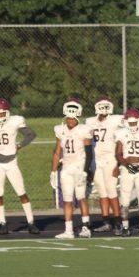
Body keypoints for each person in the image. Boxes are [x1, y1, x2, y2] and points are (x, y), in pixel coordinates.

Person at [0, 98, 38, 235]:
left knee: (21, 192)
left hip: (11, 162)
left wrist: (20, 145)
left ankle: (31, 222)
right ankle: (2, 224)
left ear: (7, 113)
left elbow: (31, 134)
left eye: (2, 113)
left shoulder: (15, 121)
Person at [51, 99, 93, 239]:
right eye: (68, 118)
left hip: (79, 166)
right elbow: (57, 152)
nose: (70, 121)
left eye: (73, 118)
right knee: (67, 200)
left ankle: (86, 228)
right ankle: (68, 230)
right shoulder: (60, 129)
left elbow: (89, 153)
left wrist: (86, 171)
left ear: (77, 117)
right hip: (66, 168)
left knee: (81, 198)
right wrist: (52, 171)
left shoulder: (83, 130)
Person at [84, 98, 124, 233]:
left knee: (111, 190)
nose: (103, 110)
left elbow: (122, 138)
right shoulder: (90, 122)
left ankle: (119, 222)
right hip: (96, 160)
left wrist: (118, 164)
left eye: (105, 107)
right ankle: (106, 221)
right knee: (102, 192)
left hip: (110, 159)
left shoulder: (115, 120)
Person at [114, 109, 139, 236]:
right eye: (129, 123)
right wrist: (126, 164)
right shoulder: (121, 133)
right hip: (127, 168)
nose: (132, 126)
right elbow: (118, 153)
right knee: (125, 200)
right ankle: (125, 228)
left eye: (133, 123)